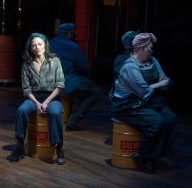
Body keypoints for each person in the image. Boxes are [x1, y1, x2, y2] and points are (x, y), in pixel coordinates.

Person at [109, 33, 177, 172]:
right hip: (127, 105)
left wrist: (160, 83)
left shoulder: (153, 60)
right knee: (157, 122)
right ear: (140, 47)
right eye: (149, 48)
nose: (152, 50)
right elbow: (144, 92)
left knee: (170, 118)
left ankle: (153, 157)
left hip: (146, 101)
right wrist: (158, 85)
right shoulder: (130, 67)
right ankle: (142, 154)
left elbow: (166, 80)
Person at [8, 33, 66, 165]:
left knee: (55, 112)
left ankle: (59, 147)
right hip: (34, 97)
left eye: (39, 44)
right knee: (21, 110)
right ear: (30, 48)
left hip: (52, 97)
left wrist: (45, 102)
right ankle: (19, 146)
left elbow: (60, 85)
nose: (37, 47)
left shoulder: (55, 61)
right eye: (33, 45)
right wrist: (37, 103)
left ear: (45, 45)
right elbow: (26, 89)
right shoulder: (27, 65)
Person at [49, 23, 100, 131]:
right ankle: (73, 120)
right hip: (64, 81)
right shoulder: (74, 47)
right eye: (73, 34)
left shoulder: (48, 43)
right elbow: (83, 68)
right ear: (69, 34)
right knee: (94, 91)